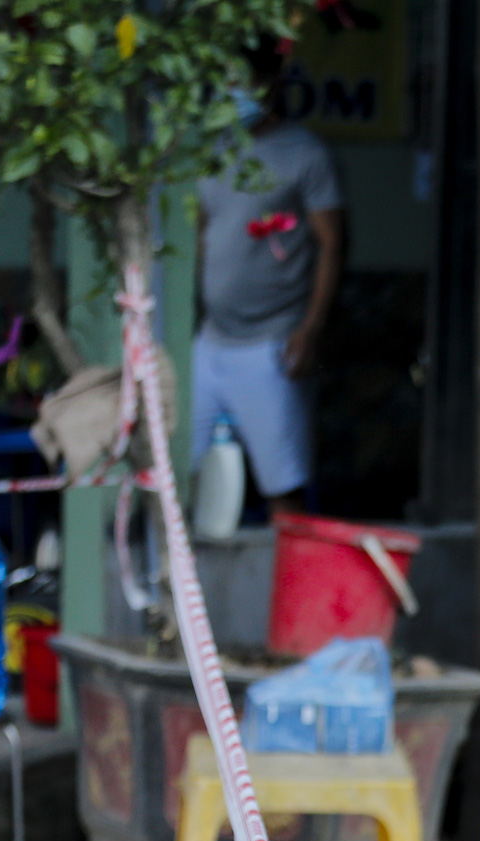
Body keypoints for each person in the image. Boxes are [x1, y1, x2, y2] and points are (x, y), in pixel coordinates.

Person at [189, 36, 345, 516]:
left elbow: (333, 244)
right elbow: (199, 232)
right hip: (210, 342)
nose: (236, 94)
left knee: (284, 489)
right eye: (229, 84)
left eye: (246, 84)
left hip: (271, 344)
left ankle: (294, 588)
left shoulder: (305, 155)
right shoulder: (210, 150)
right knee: (180, 479)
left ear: (272, 85)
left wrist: (310, 329)